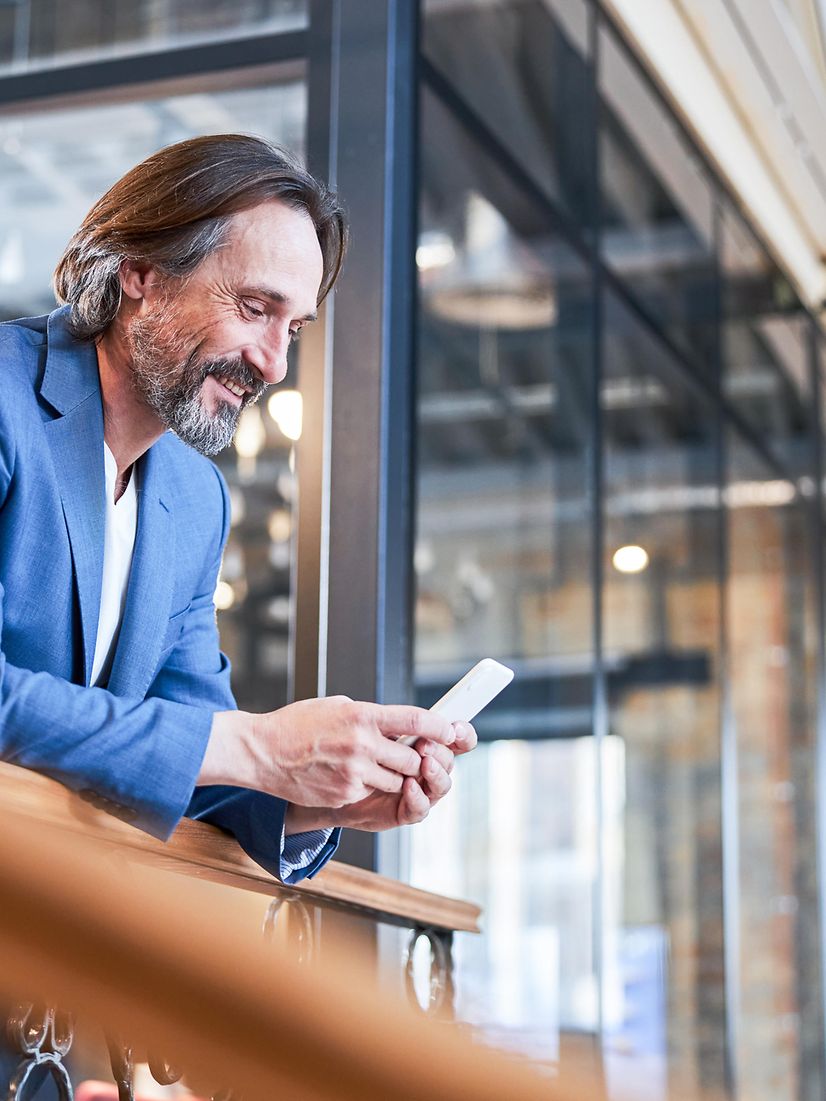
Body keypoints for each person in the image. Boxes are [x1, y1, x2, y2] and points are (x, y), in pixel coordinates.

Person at [0, 133, 476, 885]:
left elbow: (192, 755)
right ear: (142, 274)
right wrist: (261, 749)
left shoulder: (194, 499)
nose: (275, 364)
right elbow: (214, 743)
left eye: (293, 329)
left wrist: (318, 796)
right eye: (255, 308)